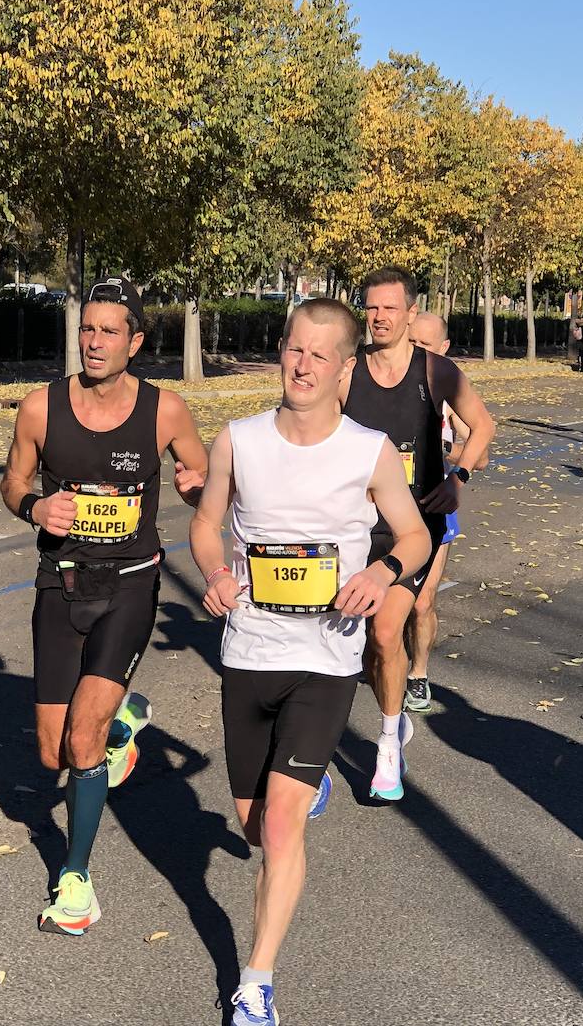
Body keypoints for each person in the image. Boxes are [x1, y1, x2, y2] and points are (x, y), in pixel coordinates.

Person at [190, 298, 430, 1026]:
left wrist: (384, 572)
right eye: (294, 349)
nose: (301, 364)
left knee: (284, 827)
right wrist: (215, 573)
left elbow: (415, 535)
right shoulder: (238, 439)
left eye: (319, 355)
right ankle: (305, 783)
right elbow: (206, 526)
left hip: (326, 661)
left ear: (345, 369)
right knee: (254, 825)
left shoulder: (369, 450)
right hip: (249, 654)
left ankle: (256, 981)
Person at [0, 276, 209, 936]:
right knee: (52, 753)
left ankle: (77, 879)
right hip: (59, 583)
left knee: (81, 740)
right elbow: (13, 481)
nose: (93, 341)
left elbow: (203, 478)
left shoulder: (165, 410)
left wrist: (195, 484)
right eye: (87, 329)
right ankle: (124, 724)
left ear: (135, 340)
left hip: (129, 585)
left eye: (108, 330)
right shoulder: (40, 407)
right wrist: (35, 506)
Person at [341, 267, 494, 801]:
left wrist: (459, 477)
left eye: (390, 308)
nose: (380, 317)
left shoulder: (436, 372)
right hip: (356, 526)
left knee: (386, 632)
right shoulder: (347, 372)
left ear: (410, 312)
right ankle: (385, 702)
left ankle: (387, 745)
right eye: (372, 308)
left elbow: (483, 426)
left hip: (414, 529)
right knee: (360, 645)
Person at [401, 312, 491, 712]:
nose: (416, 351)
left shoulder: (449, 397)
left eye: (424, 345)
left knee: (422, 601)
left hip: (434, 508)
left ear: (443, 349)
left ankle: (417, 673)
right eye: (412, 341)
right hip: (385, 509)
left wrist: (441, 453)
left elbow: (483, 456)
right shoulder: (387, 386)